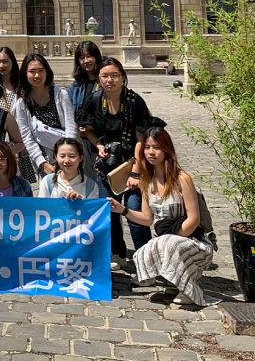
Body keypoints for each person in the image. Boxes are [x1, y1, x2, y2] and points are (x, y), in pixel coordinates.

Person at [112, 127, 214, 306]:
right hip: (166, 241)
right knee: (145, 250)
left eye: (157, 147)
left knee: (168, 244)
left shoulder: (182, 179)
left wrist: (169, 239)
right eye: (147, 147)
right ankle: (174, 284)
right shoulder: (147, 181)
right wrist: (123, 210)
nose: (151, 152)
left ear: (167, 149)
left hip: (192, 240)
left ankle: (189, 290)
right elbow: (147, 219)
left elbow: (194, 219)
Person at [78, 56, 161, 269]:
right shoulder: (95, 100)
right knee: (110, 211)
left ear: (123, 77)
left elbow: (142, 139)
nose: (110, 80)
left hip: (133, 163)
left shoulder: (134, 101)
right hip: (107, 166)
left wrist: (135, 171)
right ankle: (117, 252)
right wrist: (98, 145)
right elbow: (87, 129)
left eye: (114, 75)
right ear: (99, 78)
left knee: (134, 211)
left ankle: (146, 261)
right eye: (105, 76)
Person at [12, 53, 77, 179]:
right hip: (44, 163)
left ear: (47, 71)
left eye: (41, 71)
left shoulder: (61, 95)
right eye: (32, 71)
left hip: (68, 158)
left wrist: (67, 156)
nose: (37, 75)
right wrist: (42, 163)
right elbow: (27, 137)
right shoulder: (22, 103)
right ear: (25, 74)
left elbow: (71, 128)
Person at [0, 45, 35, 184]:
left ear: (12, 62)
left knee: (22, 185)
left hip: (21, 143)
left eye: (5, 61)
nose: (1, 65)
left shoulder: (22, 86)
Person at [66, 41, 103, 161]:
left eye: (89, 56)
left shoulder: (105, 82)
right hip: (81, 140)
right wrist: (77, 127)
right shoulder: (76, 87)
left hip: (102, 138)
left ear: (96, 57)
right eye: (82, 57)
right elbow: (68, 111)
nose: (86, 61)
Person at [37, 138, 103, 199]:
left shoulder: (91, 186)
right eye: (62, 156)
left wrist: (81, 203)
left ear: (80, 157)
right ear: (56, 157)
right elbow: (41, 206)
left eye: (72, 156)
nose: (66, 160)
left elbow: (93, 208)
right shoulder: (47, 181)